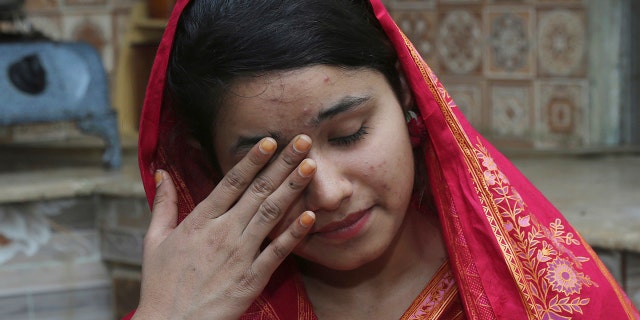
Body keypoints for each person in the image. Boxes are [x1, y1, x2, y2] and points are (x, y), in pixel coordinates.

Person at [127, 0, 640, 319]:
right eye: (270, 166)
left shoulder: (546, 294)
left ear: (406, 94)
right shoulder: (194, 305)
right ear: (211, 167)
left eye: (350, 134)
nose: (328, 193)